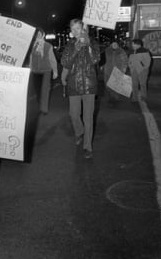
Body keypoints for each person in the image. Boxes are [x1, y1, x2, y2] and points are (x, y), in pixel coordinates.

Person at [61, 19, 100, 158]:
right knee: (73, 114)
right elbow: (65, 62)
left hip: (89, 84)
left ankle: (88, 146)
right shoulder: (70, 45)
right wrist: (76, 49)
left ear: (83, 28)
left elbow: (95, 60)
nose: (76, 31)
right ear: (71, 32)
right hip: (73, 84)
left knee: (88, 117)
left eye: (78, 28)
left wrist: (88, 45)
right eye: (74, 29)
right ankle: (79, 132)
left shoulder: (93, 42)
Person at [29, 28, 58, 114]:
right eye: (36, 34)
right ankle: (39, 107)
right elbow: (31, 58)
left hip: (46, 71)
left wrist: (55, 71)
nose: (38, 35)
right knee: (38, 91)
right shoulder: (33, 46)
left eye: (39, 34)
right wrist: (30, 68)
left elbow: (52, 59)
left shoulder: (48, 46)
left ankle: (44, 109)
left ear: (43, 35)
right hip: (35, 71)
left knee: (45, 91)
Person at [103, 39, 128, 105]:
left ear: (118, 45)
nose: (114, 45)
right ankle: (111, 96)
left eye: (116, 44)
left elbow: (125, 60)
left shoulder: (121, 51)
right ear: (111, 45)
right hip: (108, 70)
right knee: (107, 84)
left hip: (118, 70)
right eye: (113, 44)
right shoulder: (107, 50)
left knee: (116, 85)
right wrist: (102, 65)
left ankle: (115, 97)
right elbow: (102, 59)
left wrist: (124, 67)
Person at [128, 38, 151, 103]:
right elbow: (129, 60)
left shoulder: (144, 51)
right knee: (134, 84)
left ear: (137, 44)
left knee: (142, 84)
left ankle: (143, 97)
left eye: (133, 44)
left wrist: (143, 67)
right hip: (133, 70)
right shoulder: (132, 51)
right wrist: (130, 66)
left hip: (142, 71)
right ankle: (135, 97)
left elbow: (148, 61)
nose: (132, 45)